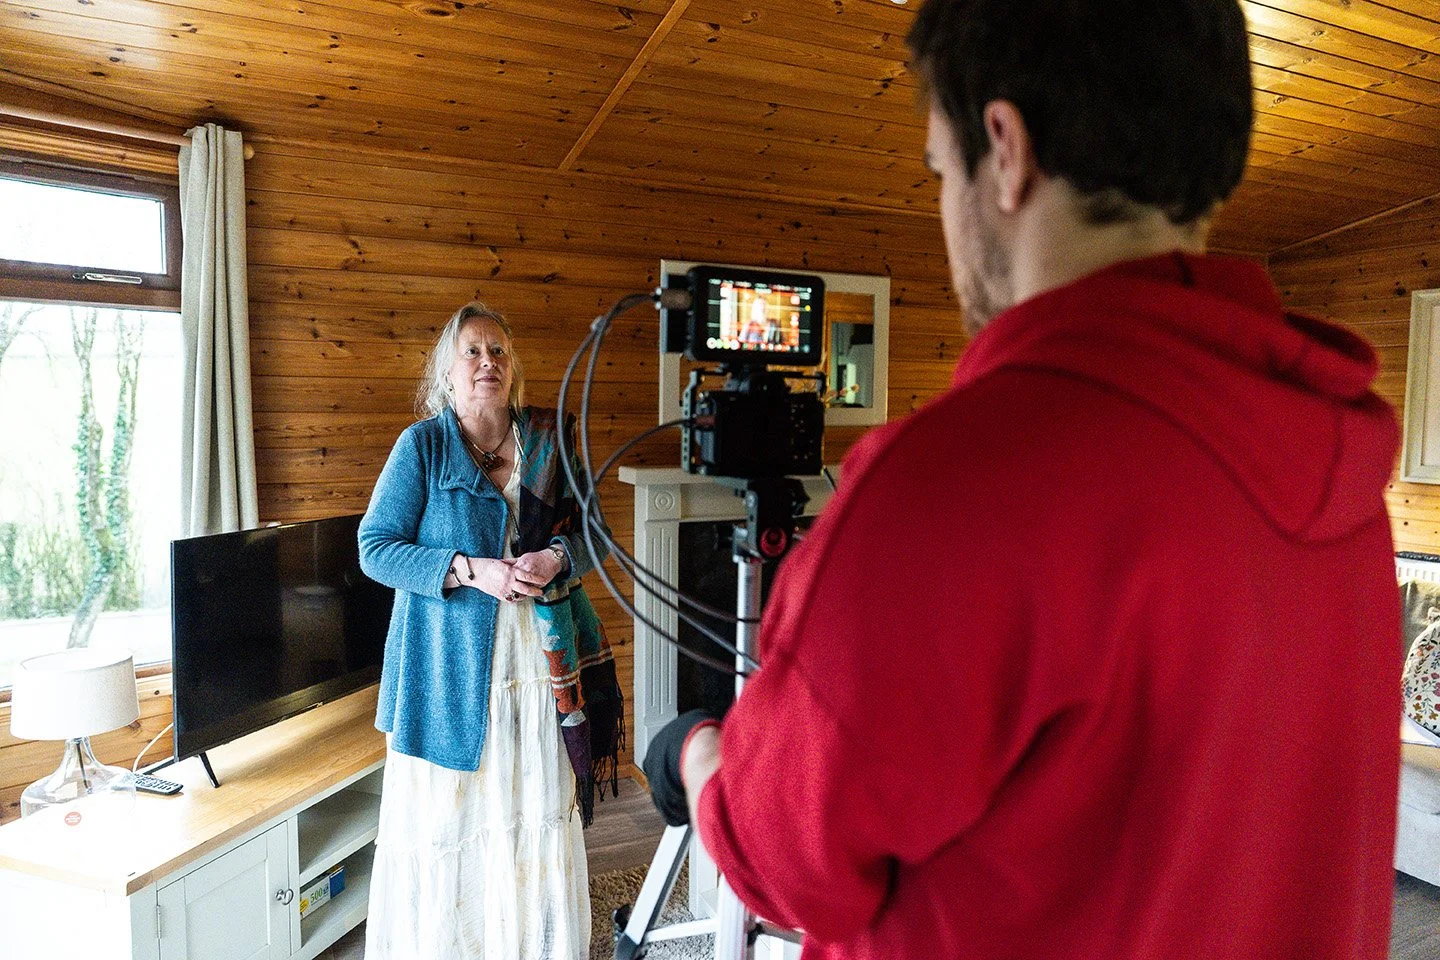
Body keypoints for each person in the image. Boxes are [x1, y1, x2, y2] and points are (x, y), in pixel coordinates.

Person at [645, 1, 1402, 958]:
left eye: (937, 168)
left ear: (1005, 150)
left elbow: (780, 859)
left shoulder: (949, 491)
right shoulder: (1340, 466)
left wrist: (698, 750)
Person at [358, 302, 624, 960]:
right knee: (456, 821)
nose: (488, 363)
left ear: (514, 367)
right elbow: (375, 548)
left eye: (499, 351)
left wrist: (557, 556)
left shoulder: (549, 440)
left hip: (540, 667)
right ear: (448, 370)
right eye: (473, 352)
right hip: (450, 670)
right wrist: (467, 569)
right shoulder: (422, 447)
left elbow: (596, 536)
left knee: (534, 812)